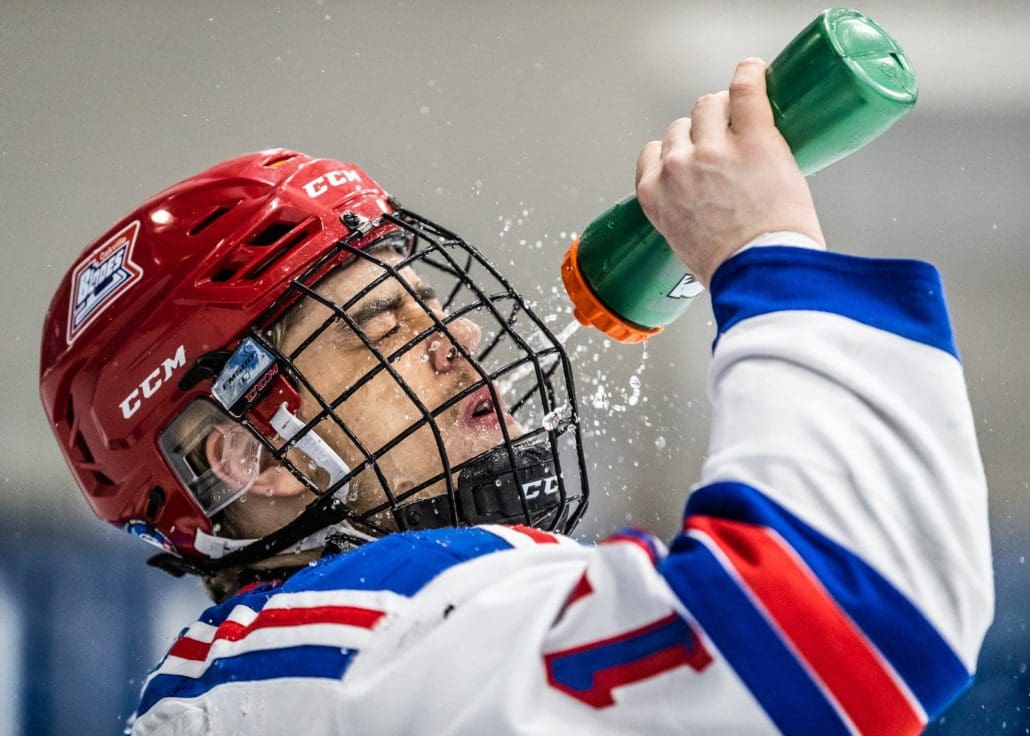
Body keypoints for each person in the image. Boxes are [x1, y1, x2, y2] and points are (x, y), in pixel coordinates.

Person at [40, 59, 992, 735]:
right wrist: (768, 251)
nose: (456, 342)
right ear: (249, 453)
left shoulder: (281, 669)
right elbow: (853, 618)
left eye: (430, 306)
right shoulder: (362, 641)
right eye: (382, 326)